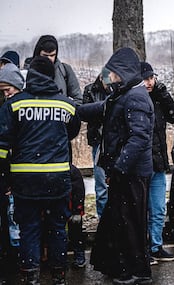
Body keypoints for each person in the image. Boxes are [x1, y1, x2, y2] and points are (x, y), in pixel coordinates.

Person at [0, 56, 81, 285]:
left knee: (29, 229)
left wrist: (4, 178)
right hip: (58, 180)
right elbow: (71, 132)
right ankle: (58, 276)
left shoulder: (14, 105)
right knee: (57, 228)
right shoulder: (66, 104)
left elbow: (2, 146)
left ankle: (31, 277)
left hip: (25, 182)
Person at [78, 47, 154, 285]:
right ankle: (118, 266)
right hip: (123, 171)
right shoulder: (123, 95)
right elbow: (100, 109)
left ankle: (138, 272)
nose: (109, 78)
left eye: (113, 73)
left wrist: (119, 168)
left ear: (122, 72)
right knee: (118, 221)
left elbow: (139, 138)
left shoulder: (135, 96)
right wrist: (72, 109)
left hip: (132, 173)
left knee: (130, 222)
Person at [141, 61, 174, 264]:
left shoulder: (158, 98)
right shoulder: (134, 100)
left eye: (151, 78)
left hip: (158, 161)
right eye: (144, 79)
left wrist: (163, 94)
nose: (148, 83)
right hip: (141, 163)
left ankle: (156, 246)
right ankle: (143, 248)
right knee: (141, 209)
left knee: (158, 208)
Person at [0, 61, 25, 284]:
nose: (7, 95)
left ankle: (16, 259)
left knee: (13, 219)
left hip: (14, 172)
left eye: (8, 90)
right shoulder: (8, 106)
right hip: (9, 173)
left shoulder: (15, 108)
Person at [82, 68, 111, 218]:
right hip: (98, 140)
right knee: (100, 184)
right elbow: (84, 113)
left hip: (113, 140)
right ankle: (102, 218)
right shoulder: (90, 90)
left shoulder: (117, 89)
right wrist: (104, 108)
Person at [32, 35, 83, 105]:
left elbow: (78, 99)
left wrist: (65, 110)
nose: (49, 59)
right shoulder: (28, 72)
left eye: (52, 55)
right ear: (38, 54)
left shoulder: (65, 70)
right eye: (45, 55)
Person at [68, 164, 87, 269]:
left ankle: (79, 255)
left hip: (71, 207)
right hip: (57, 207)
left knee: (75, 230)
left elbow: (79, 191)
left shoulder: (72, 171)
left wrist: (77, 210)